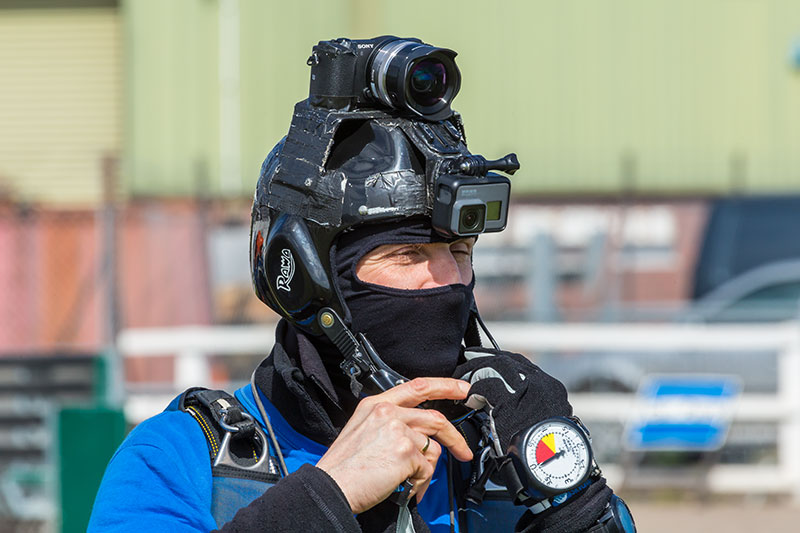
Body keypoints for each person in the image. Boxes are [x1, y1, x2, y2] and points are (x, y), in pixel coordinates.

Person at [89, 37, 634, 533]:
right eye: (408, 255)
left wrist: (569, 496)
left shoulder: (496, 458)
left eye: (460, 252)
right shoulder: (178, 461)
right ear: (310, 280)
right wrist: (327, 497)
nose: (447, 281)